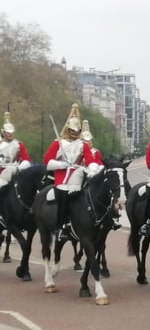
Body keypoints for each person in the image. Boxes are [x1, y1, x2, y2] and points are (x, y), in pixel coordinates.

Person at [42, 104, 99, 242]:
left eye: (77, 130)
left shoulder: (82, 144)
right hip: (62, 177)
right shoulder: (58, 143)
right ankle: (60, 227)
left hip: (77, 175)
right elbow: (46, 160)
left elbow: (90, 159)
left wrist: (92, 169)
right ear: (68, 129)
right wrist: (61, 164)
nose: (75, 133)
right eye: (73, 130)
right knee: (63, 196)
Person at [81, 119, 121, 230]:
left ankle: (114, 217)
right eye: (84, 140)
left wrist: (95, 172)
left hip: (93, 174)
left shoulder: (95, 151)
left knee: (109, 192)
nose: (87, 142)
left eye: (88, 140)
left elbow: (98, 163)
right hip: (81, 174)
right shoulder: (77, 149)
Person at [0, 111, 32, 199]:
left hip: (15, 171)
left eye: (12, 132)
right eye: (8, 132)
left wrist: (18, 167)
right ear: (3, 132)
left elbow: (26, 160)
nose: (10, 134)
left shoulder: (18, 144)